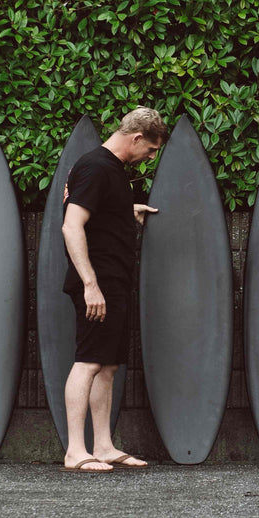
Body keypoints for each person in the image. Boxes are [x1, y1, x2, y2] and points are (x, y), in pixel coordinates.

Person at [59, 106, 168, 473]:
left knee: (107, 366)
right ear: (136, 138)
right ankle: (75, 450)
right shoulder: (95, 166)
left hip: (113, 281)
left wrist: (126, 211)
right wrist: (90, 285)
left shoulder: (113, 172)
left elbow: (98, 212)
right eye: (150, 150)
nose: (150, 158)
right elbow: (72, 226)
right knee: (88, 361)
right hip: (98, 282)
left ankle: (102, 446)